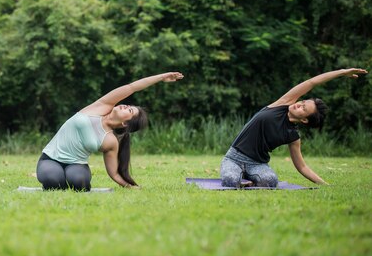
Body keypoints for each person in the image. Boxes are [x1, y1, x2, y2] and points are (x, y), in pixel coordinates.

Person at [220, 68, 368, 188]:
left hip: (257, 163)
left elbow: (302, 167)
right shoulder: (283, 103)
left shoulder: (293, 136)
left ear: (304, 119)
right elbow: (312, 82)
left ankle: (248, 177)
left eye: (303, 109)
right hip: (234, 157)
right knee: (230, 181)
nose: (299, 104)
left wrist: (325, 185)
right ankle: (241, 176)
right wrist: (342, 72)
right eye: (303, 102)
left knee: (270, 181)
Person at [37, 72, 184, 191]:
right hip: (50, 158)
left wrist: (130, 186)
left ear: (125, 123)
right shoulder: (100, 106)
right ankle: (56, 179)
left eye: (129, 110)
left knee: (79, 183)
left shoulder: (110, 141)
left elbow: (113, 172)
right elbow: (132, 87)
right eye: (129, 105)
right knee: (53, 180)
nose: (125, 105)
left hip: (77, 164)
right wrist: (161, 77)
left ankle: (71, 179)